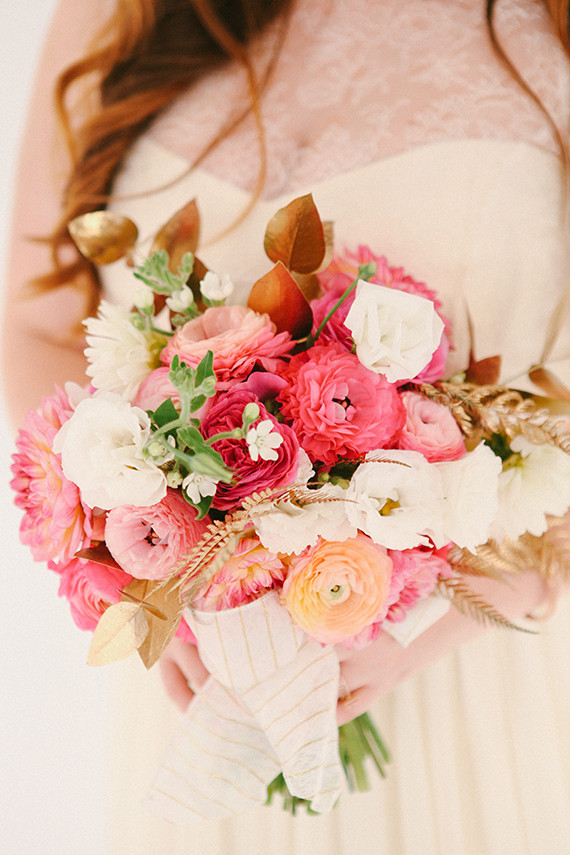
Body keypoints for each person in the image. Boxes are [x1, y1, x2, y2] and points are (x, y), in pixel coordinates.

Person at [3, 0, 570, 852]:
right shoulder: (119, 14)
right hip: (206, 692)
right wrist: (164, 555)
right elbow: (37, 323)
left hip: (465, 674)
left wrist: (449, 612)